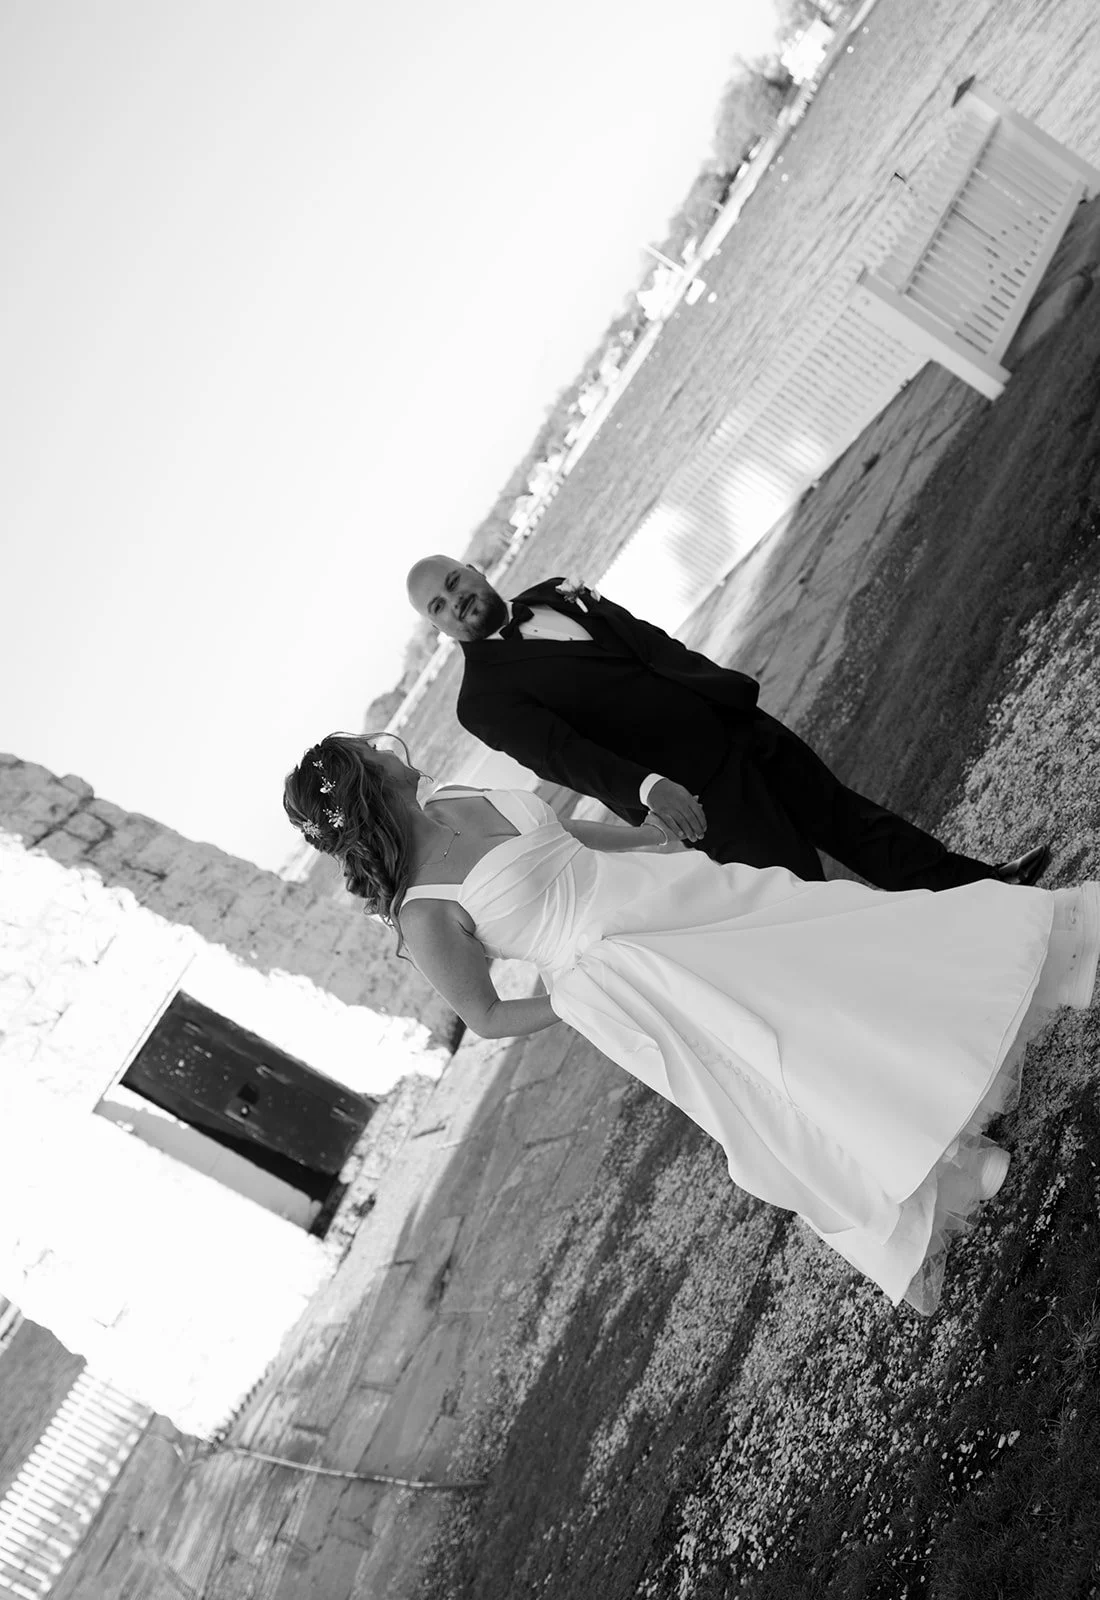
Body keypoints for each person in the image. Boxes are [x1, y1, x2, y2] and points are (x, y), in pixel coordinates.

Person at [284, 732, 1099, 1314]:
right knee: (784, 1063)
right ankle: (936, 1171)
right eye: (372, 752)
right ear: (366, 785)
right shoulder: (423, 914)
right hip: (641, 977)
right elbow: (488, 1013)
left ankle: (990, 986)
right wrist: (576, 1002)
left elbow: (560, 833)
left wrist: (646, 841)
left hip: (678, 900)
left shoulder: (459, 794)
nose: (390, 747)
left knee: (834, 945)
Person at [404, 556, 1049, 890]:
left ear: (476, 569)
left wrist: (721, 691)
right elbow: (564, 756)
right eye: (440, 604)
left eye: (456, 580)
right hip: (702, 794)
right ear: (439, 627)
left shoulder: (554, 592)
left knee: (859, 824)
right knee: (812, 904)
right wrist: (649, 790)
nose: (457, 599)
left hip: (735, 725)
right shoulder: (479, 700)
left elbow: (648, 645)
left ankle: (991, 890)